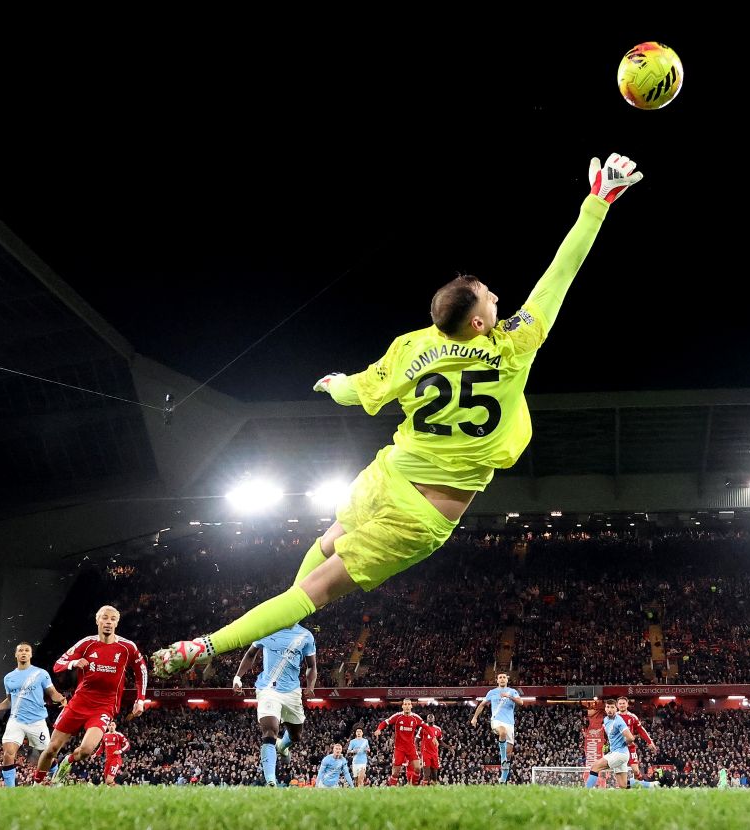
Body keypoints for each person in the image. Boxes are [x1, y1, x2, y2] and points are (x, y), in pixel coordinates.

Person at [148, 153, 644, 679]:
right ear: (478, 323)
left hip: (389, 476)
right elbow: (559, 274)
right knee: (314, 593)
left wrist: (333, 383)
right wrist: (598, 201)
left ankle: (273, 635)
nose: (500, 296)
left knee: (321, 548)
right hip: (423, 513)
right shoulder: (514, 346)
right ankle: (205, 647)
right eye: (490, 297)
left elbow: (354, 392)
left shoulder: (412, 348)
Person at [36, 605, 146, 785]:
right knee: (52, 749)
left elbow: (141, 671)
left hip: (105, 706)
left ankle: (68, 761)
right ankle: (36, 784)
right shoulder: (87, 643)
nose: (108, 622)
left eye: (112, 619)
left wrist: (140, 700)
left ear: (117, 623)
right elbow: (58, 665)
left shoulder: (127, 647)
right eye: (104, 618)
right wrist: (73, 663)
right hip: (79, 702)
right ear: (97, 621)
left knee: (86, 750)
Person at [233, 623, 317, 786]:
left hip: (292, 692)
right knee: (269, 732)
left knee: (296, 736)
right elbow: (250, 654)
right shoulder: (267, 628)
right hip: (268, 689)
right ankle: (271, 780)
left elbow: (312, 666)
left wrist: (311, 685)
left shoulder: (306, 636)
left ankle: (283, 746)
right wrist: (238, 678)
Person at [0, 641, 66, 787]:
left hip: (37, 721)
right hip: (16, 721)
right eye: (20, 650)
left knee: (47, 756)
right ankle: (11, 792)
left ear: (30, 654)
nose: (23, 653)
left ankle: (57, 781)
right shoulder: (9, 678)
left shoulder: (41, 673)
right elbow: (10, 700)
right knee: (8, 753)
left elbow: (52, 693)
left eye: (26, 650)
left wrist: (62, 699)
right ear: (16, 654)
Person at [471, 672, 522, 782]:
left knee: (509, 754)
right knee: (502, 732)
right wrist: (475, 717)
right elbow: (482, 705)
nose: (502, 679)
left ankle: (503, 780)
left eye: (504, 677)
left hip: (510, 723)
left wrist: (509, 696)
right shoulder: (492, 692)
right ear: (497, 680)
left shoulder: (512, 692)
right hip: (496, 720)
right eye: (500, 677)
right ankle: (502, 758)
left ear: (507, 680)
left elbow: (521, 702)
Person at [585, 699, 636, 789]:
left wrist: (623, 744)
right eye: (608, 707)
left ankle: (585, 792)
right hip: (621, 754)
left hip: (619, 753)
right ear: (605, 709)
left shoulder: (618, 721)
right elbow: (610, 732)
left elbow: (630, 738)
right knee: (623, 785)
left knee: (595, 767)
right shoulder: (605, 720)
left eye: (612, 707)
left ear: (616, 709)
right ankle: (652, 785)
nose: (610, 709)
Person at [375, 698, 424, 786]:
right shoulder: (397, 716)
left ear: (411, 706)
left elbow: (425, 726)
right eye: (405, 704)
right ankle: (391, 786)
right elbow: (385, 722)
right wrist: (379, 729)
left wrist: (433, 736)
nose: (407, 706)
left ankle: (414, 784)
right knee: (395, 773)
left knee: (418, 768)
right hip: (399, 748)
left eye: (409, 704)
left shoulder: (415, 718)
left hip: (411, 748)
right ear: (402, 706)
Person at [616, 697, 657, 789]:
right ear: (617, 705)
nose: (622, 705)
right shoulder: (614, 717)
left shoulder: (632, 717)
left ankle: (641, 787)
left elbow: (641, 730)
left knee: (635, 770)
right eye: (620, 703)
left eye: (623, 703)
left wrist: (650, 741)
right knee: (620, 773)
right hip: (618, 749)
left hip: (630, 747)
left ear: (627, 704)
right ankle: (625, 787)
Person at [93, 719, 130, 786]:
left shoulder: (119, 735)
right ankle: (120, 792)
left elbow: (127, 745)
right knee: (107, 782)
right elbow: (102, 747)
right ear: (107, 726)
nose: (111, 726)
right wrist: (95, 754)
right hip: (108, 760)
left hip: (116, 760)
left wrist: (120, 751)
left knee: (109, 780)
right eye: (109, 725)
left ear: (115, 726)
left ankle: (122, 792)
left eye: (112, 725)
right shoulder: (105, 735)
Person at [418, 713, 443, 785]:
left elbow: (440, 742)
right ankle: (424, 791)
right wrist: (417, 750)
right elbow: (417, 740)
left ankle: (433, 791)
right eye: (429, 717)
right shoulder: (423, 728)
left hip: (435, 754)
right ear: (427, 719)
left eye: (432, 717)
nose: (430, 718)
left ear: (434, 719)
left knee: (435, 776)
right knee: (426, 775)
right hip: (426, 753)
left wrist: (449, 747)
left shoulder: (438, 729)